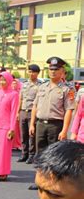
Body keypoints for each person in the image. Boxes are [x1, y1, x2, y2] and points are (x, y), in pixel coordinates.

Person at [29, 57, 76, 190]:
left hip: (56, 125)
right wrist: (32, 124)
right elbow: (35, 106)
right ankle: (40, 180)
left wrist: (64, 130)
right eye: (51, 69)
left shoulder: (67, 90)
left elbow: (69, 110)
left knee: (54, 155)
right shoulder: (42, 87)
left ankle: (52, 182)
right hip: (40, 124)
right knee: (40, 153)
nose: (53, 72)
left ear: (62, 71)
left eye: (56, 69)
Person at [17, 64, 41, 163]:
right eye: (29, 71)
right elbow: (21, 99)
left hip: (32, 112)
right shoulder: (25, 84)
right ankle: (24, 154)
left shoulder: (39, 85)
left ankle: (31, 154)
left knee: (32, 135)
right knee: (23, 135)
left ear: (37, 73)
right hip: (23, 111)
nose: (31, 74)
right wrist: (18, 112)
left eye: (33, 72)